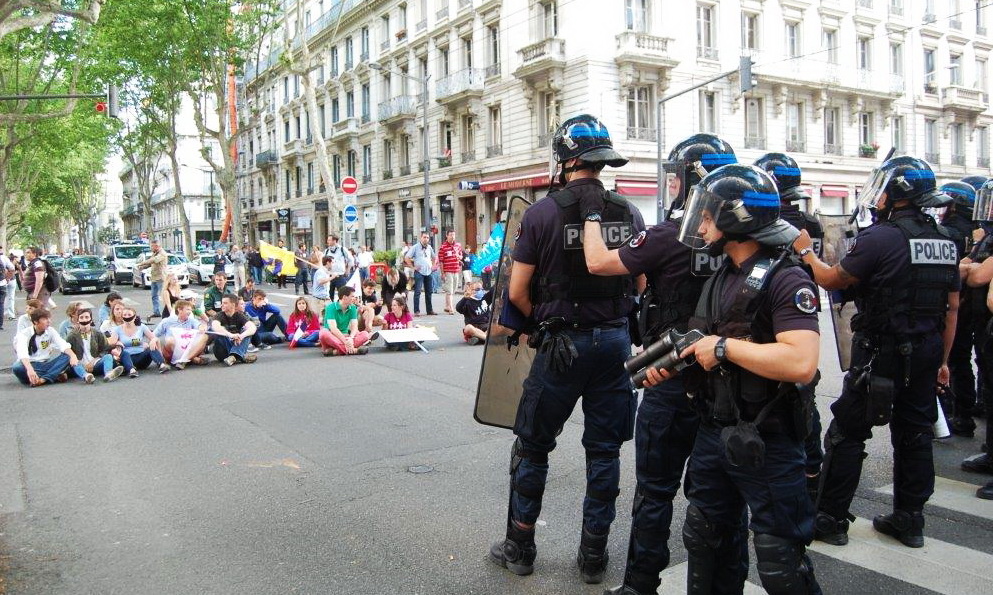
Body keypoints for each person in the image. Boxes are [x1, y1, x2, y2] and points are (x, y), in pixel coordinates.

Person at [651, 163, 821, 593]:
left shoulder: (787, 278)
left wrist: (723, 348)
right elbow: (708, 344)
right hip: (715, 430)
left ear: (736, 220)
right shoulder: (723, 274)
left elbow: (801, 361)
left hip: (768, 438)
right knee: (706, 538)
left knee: (781, 561)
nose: (701, 224)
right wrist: (670, 364)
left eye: (708, 215)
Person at [488, 114, 643, 584]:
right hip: (615, 343)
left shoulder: (540, 214)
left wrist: (542, 323)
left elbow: (516, 292)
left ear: (565, 159)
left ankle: (520, 546)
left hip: (561, 345)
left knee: (532, 448)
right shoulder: (629, 212)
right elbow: (640, 284)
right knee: (605, 451)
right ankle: (593, 557)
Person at [585, 133, 738, 595]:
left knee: (655, 492)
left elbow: (598, 262)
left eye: (675, 179)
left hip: (669, 378)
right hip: (726, 385)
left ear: (693, 183)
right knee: (719, 500)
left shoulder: (667, 237)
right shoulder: (747, 248)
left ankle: (640, 584)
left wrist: (591, 213)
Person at [794, 155, 960, 549]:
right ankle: (910, 519)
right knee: (915, 433)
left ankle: (830, 519)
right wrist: (942, 361)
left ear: (895, 195)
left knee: (848, 433)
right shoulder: (944, 240)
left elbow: (834, 278)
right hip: (926, 349)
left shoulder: (882, 237)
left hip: (882, 351)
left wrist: (806, 252)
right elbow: (952, 307)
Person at [754, 152, 826, 503]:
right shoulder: (811, 224)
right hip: (803, 324)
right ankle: (811, 479)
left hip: (768, 326)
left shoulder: (767, 224)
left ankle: (798, 490)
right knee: (803, 406)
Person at [954, 179, 993, 498]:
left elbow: (975, 274)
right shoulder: (985, 238)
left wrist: (974, 268)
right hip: (983, 327)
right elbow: (965, 265)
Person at [940, 180, 986, 438]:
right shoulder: (978, 233)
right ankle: (965, 414)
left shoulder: (946, 231)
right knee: (965, 362)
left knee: (948, 361)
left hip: (951, 303)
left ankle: (948, 414)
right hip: (973, 305)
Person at [13, 308, 88, 386]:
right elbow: (22, 353)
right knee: (17, 368)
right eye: (45, 319)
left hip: (45, 363)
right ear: (35, 322)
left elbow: (63, 344)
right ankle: (56, 374)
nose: (49, 321)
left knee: (67, 356)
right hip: (30, 364)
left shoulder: (50, 331)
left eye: (49, 318)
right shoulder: (24, 334)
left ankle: (44, 379)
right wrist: (30, 369)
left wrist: (73, 356)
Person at [66, 308, 125, 382]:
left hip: (95, 362)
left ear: (91, 319)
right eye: (81, 317)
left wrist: (93, 361)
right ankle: (86, 376)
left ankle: (108, 374)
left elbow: (105, 349)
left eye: (87, 317)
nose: (84, 320)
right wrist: (74, 358)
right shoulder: (72, 335)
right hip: (80, 364)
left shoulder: (97, 333)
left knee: (108, 356)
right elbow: (66, 349)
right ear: (78, 320)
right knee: (75, 363)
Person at [113, 305, 169, 377]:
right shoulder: (117, 329)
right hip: (127, 358)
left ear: (134, 317)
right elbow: (111, 343)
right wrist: (117, 342)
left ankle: (161, 365)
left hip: (141, 356)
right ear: (122, 317)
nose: (127, 317)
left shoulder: (141, 327)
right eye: (125, 315)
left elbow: (154, 338)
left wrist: (153, 341)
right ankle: (132, 370)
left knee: (151, 348)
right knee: (125, 353)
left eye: (129, 315)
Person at [154, 299, 210, 368]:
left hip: (188, 348)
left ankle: (185, 360)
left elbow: (199, 325)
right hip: (172, 351)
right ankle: (192, 359)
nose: (190, 312)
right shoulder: (167, 321)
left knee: (205, 336)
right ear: (179, 310)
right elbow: (154, 335)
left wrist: (202, 327)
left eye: (190, 310)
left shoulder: (191, 320)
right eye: (188, 309)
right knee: (170, 340)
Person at [321, 286, 376, 356]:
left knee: (365, 335)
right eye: (352, 296)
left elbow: (354, 326)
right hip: (333, 336)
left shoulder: (352, 307)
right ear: (344, 297)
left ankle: (336, 352)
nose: (354, 298)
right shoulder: (330, 307)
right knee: (323, 333)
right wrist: (345, 341)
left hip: (346, 336)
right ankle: (355, 350)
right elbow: (333, 329)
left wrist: (351, 338)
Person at [210, 293, 258, 365]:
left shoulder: (239, 315)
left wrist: (241, 336)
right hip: (222, 351)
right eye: (222, 303)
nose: (221, 305)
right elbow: (215, 326)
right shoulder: (219, 315)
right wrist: (231, 335)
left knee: (247, 332)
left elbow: (252, 327)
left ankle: (233, 357)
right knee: (220, 332)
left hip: (234, 345)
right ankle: (239, 357)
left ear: (233, 305)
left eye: (225, 303)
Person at [405, 232, 437, 316]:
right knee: (417, 292)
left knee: (429, 292)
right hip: (419, 272)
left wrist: (433, 265)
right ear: (421, 238)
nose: (426, 239)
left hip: (428, 272)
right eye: (424, 237)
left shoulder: (429, 247)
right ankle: (416, 311)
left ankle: (429, 310)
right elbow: (407, 257)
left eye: (427, 237)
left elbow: (434, 257)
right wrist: (413, 267)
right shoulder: (415, 247)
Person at [135, 240, 168, 319]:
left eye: (151, 246)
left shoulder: (162, 253)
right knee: (154, 296)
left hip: (161, 278)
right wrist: (142, 267)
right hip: (154, 278)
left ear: (156, 246)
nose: (150, 248)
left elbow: (153, 260)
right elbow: (151, 264)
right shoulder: (154, 253)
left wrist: (142, 263)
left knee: (164, 296)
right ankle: (156, 312)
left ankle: (169, 311)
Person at [456, 281, 491, 345]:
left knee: (498, 324)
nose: (480, 291)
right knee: (468, 328)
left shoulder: (484, 298)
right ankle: (488, 339)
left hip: (487, 327)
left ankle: (480, 339)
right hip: (475, 328)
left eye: (482, 289)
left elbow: (494, 290)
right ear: (471, 291)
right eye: (478, 289)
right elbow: (458, 308)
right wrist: (465, 298)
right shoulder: (467, 302)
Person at [438, 229, 464, 314]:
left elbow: (461, 255)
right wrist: (442, 273)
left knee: (453, 289)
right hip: (448, 270)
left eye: (453, 235)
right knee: (450, 290)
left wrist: (459, 257)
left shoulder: (458, 245)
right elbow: (441, 261)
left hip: (456, 270)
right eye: (451, 235)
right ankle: (451, 308)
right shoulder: (443, 247)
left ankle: (446, 305)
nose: (452, 236)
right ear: (447, 235)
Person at [323, 235, 351, 300]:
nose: (328, 242)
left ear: (334, 241)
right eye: (328, 240)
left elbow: (350, 259)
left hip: (340, 275)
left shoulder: (342, 249)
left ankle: (341, 307)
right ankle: (331, 307)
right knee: (329, 295)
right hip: (330, 276)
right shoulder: (327, 251)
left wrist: (348, 270)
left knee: (342, 294)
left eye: (329, 240)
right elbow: (323, 262)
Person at [0, 247, 14, 330]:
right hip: (2, 284)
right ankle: (0, 324)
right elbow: (12, 269)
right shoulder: (3, 258)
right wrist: (7, 279)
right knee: (1, 304)